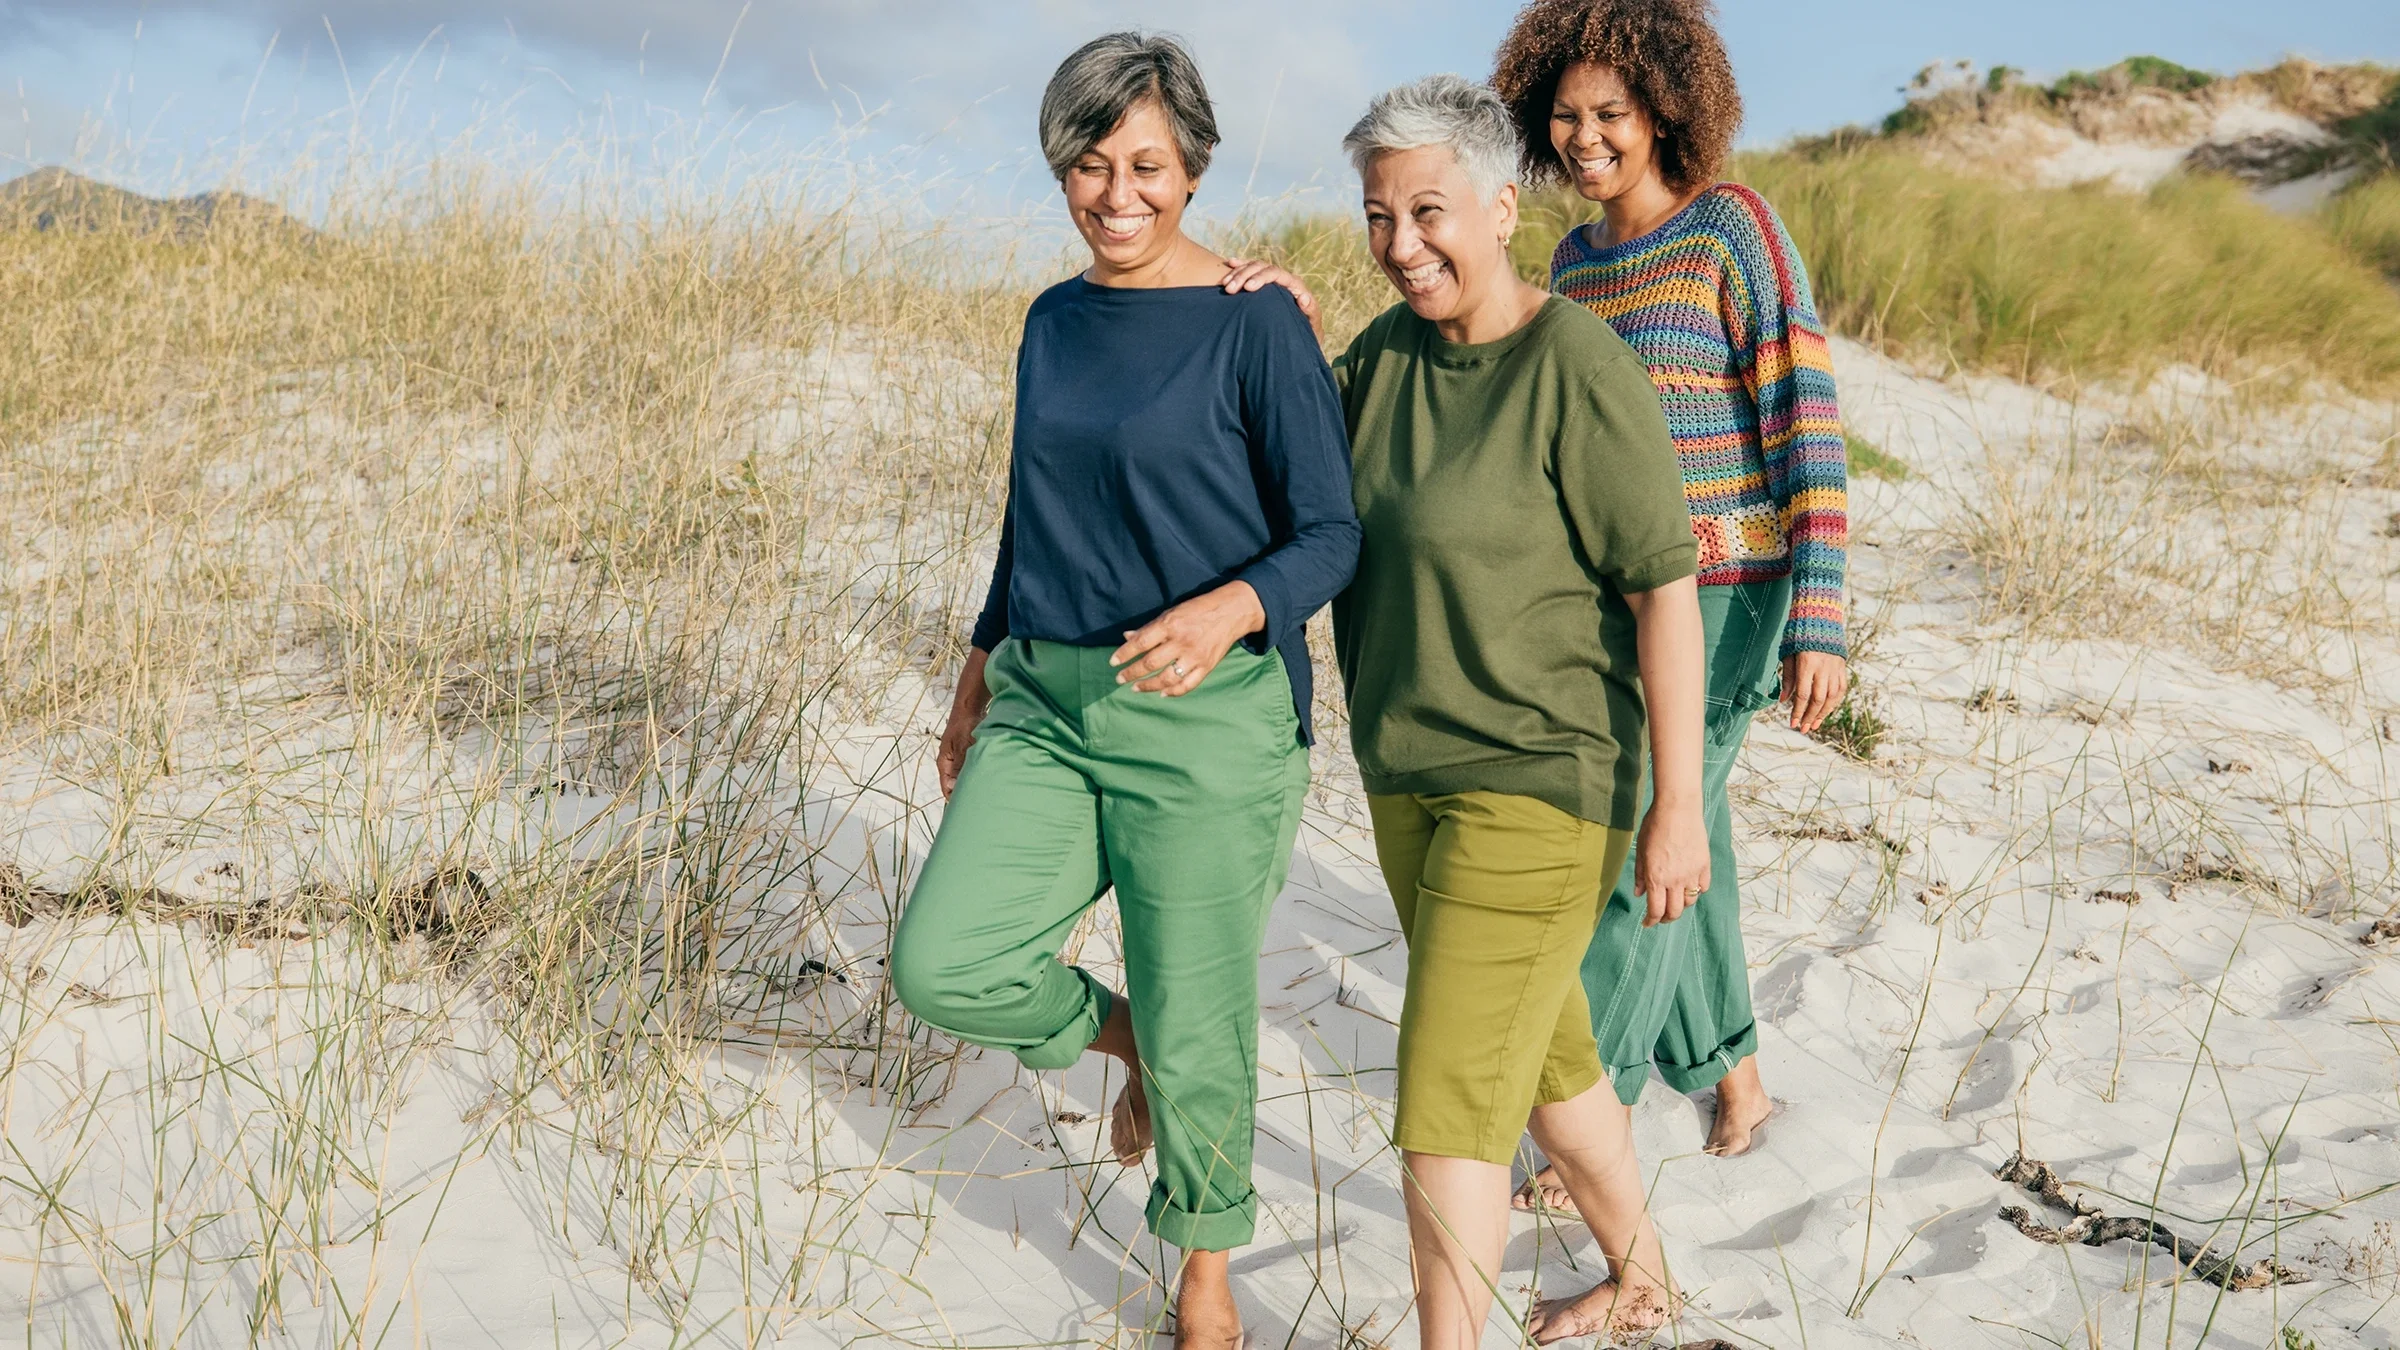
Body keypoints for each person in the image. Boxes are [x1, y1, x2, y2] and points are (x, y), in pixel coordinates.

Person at [887, 32, 1359, 1350]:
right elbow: (1031, 515)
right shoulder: (1053, 320)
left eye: (1146, 163)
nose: (1117, 193)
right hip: (1046, 697)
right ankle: (1131, 1037)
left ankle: (1203, 1284)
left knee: (1206, 1012)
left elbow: (1332, 534)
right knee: (945, 960)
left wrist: (1224, 611)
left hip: (1209, 717)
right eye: (1089, 165)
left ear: (1193, 168)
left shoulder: (1256, 321)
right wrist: (979, 672)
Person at [1328, 74, 1707, 1345]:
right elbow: (1273, 472)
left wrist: (1679, 809)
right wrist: (1251, 310)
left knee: (1446, 1100)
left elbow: (1664, 594)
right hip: (1405, 777)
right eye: (1379, 217)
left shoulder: (1574, 364)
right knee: (1547, 1060)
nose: (1402, 245)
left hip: (1543, 785)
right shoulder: (1376, 363)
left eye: (1428, 211)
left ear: (1500, 205)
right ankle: (1642, 1277)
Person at [1491, 0, 1851, 1196]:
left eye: (1610, 113)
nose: (1587, 136)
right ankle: (1735, 1073)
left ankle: (1595, 1110)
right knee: (1692, 840)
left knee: (1648, 837)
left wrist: (1820, 613)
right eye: (1566, 116)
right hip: (1609, 600)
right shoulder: (1574, 264)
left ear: (1665, 110)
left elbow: (1806, 423)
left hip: (1732, 597)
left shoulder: (1734, 228)